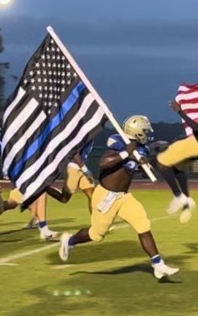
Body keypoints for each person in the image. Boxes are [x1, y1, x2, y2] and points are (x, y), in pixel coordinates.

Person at [58, 115, 180, 280]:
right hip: (106, 196)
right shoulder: (118, 142)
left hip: (124, 196)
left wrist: (144, 166)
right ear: (136, 132)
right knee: (96, 235)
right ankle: (70, 241)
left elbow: (139, 171)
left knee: (143, 223)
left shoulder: (143, 149)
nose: (148, 133)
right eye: (145, 130)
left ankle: (158, 264)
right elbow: (104, 163)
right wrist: (126, 153)